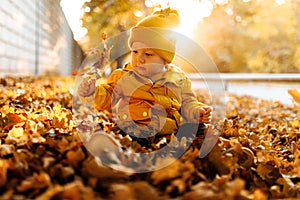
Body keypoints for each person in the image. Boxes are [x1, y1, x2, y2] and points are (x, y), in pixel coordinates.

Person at [77, 8, 212, 147]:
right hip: (137, 125)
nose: (139, 59)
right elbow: (108, 94)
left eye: (148, 54)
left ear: (165, 60)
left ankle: (190, 139)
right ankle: (131, 146)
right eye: (135, 52)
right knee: (132, 136)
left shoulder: (178, 78)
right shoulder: (124, 77)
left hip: (170, 128)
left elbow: (187, 100)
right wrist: (93, 93)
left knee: (197, 127)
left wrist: (196, 110)